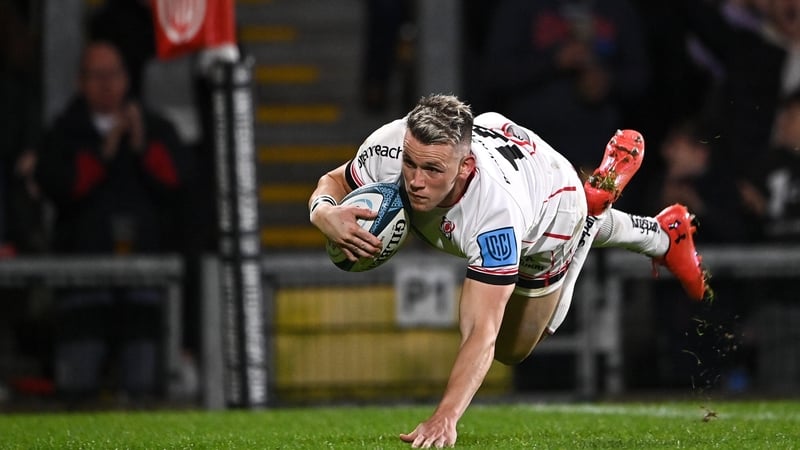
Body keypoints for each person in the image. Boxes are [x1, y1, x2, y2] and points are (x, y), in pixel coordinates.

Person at [308, 94, 710, 448]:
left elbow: (481, 331)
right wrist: (324, 213)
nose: (414, 181)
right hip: (501, 138)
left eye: (432, 170)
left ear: (464, 168)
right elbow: (333, 180)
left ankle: (590, 213)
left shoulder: (495, 217)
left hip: (554, 204)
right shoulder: (390, 146)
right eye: (411, 164)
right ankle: (663, 233)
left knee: (512, 349)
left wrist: (446, 415)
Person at [34, 40, 191, 402]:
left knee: (142, 387)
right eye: (96, 75)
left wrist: (140, 145)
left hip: (146, 277)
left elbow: (178, 182)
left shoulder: (154, 127)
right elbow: (61, 184)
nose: (106, 84)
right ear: (80, 81)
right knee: (77, 385)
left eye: (114, 75)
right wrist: (104, 151)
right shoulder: (64, 131)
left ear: (127, 80)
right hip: (82, 276)